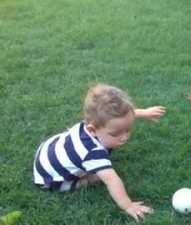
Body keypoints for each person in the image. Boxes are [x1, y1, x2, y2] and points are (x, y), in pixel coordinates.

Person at [32, 83, 166, 221]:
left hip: (47, 150)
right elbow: (111, 180)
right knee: (97, 177)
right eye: (115, 134)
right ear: (92, 130)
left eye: (127, 129)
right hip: (50, 178)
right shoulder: (93, 153)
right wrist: (128, 206)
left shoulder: (95, 122)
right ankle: (85, 180)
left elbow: (124, 116)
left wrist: (144, 113)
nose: (124, 137)